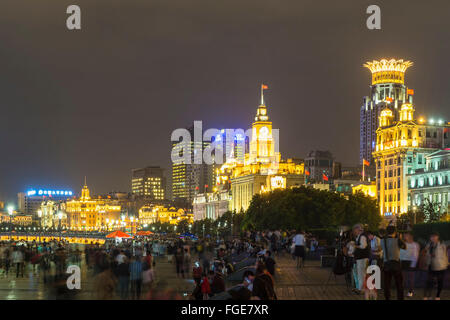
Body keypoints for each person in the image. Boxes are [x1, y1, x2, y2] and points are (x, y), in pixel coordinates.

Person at [380, 225, 406, 300]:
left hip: (386, 264)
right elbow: (404, 247)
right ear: (395, 232)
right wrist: (400, 238)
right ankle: (400, 298)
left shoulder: (382, 240)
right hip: (396, 264)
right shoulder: (397, 240)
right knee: (399, 284)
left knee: (387, 284)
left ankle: (387, 297)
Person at [423, 232, 448, 300]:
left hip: (441, 266)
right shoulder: (429, 244)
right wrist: (426, 263)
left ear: (438, 237)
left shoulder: (442, 244)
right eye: (431, 237)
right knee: (429, 281)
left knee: (440, 281)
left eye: (434, 236)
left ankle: (437, 296)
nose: (433, 238)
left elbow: (445, 254)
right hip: (431, 265)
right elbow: (426, 254)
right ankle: (428, 295)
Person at [400, 232, 419, 297]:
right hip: (403, 262)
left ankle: (410, 291)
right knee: (403, 278)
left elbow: (415, 255)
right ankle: (402, 291)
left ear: (411, 236)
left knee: (410, 278)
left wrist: (413, 264)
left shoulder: (415, 244)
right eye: (404, 236)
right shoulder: (403, 244)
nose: (404, 237)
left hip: (410, 262)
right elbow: (400, 253)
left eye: (406, 236)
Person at [353, 224, 370, 293]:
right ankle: (360, 288)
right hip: (362, 257)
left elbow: (363, 246)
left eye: (355, 229)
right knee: (361, 273)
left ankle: (361, 289)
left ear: (358, 229)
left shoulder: (362, 236)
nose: (354, 231)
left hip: (362, 257)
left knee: (361, 273)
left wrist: (355, 246)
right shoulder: (361, 236)